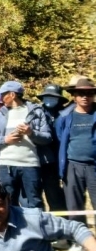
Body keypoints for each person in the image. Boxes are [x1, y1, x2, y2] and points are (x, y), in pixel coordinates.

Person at [0, 80, 52, 209]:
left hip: (30, 164)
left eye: (3, 95)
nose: (1, 98)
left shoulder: (36, 112)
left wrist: (31, 133)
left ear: (12, 95)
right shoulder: (0, 115)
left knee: (34, 202)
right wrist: (5, 139)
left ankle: (35, 223)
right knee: (7, 203)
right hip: (6, 166)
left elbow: (47, 138)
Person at [57, 76, 96, 227]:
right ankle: (80, 237)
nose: (85, 97)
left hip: (94, 166)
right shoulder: (65, 117)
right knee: (74, 207)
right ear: (74, 96)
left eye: (89, 93)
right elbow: (60, 138)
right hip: (72, 166)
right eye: (81, 93)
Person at [37, 82, 70, 215]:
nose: (50, 100)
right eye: (47, 97)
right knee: (34, 195)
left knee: (54, 194)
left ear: (59, 99)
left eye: (53, 97)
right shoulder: (36, 112)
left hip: (55, 161)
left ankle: (59, 222)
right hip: (37, 159)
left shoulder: (65, 114)